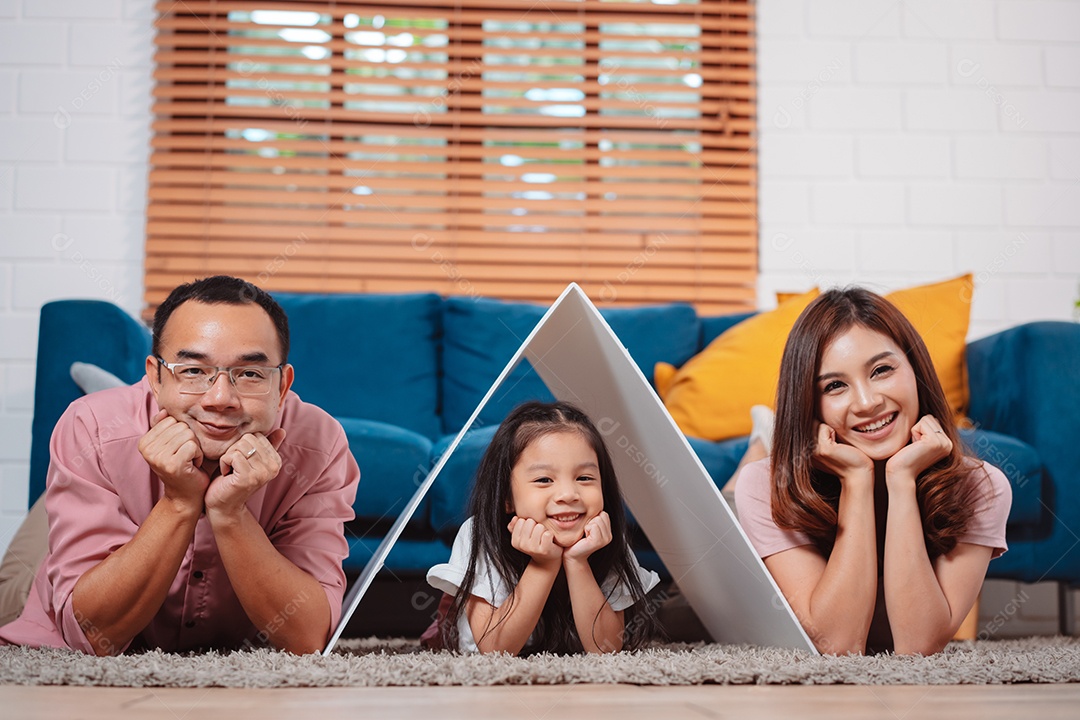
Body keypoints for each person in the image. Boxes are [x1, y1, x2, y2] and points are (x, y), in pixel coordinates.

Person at [0, 276, 360, 655]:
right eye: (193, 370)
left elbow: (309, 639)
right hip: (90, 487)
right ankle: (120, 399)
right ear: (154, 376)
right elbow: (90, 635)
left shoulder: (321, 445)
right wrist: (178, 503)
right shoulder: (88, 426)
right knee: (11, 596)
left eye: (250, 373)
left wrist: (230, 514)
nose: (221, 398)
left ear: (282, 386)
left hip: (132, 438)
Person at [735, 287, 1011, 656]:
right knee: (734, 492)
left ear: (916, 371)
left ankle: (764, 434)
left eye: (881, 370)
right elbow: (839, 643)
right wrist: (856, 481)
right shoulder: (763, 487)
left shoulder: (982, 485)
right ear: (808, 405)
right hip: (754, 491)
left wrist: (901, 480)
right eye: (835, 386)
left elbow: (919, 645)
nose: (867, 403)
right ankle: (763, 436)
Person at [424, 401, 660, 654]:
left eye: (584, 478)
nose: (568, 494)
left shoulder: (602, 536)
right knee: (442, 633)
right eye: (544, 480)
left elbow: (606, 649)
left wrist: (578, 562)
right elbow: (495, 651)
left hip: (554, 632)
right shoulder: (482, 535)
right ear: (507, 498)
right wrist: (543, 564)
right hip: (475, 623)